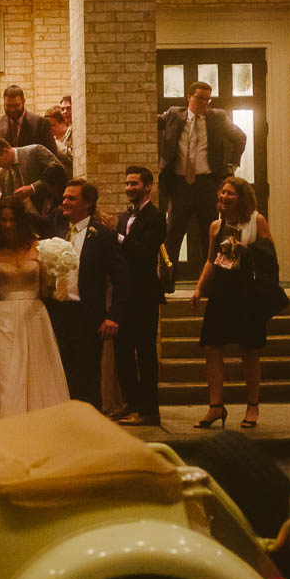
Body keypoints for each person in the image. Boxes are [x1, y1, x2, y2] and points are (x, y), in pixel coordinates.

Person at [0, 198, 70, 421]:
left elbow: (45, 290)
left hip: (34, 315)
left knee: (37, 374)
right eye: (3, 220)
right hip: (4, 317)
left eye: (13, 220)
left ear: (21, 221)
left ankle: (36, 426)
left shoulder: (39, 247)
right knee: (4, 375)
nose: (8, 225)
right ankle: (5, 425)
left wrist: (56, 273)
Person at [190, 177, 276, 430]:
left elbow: (270, 254)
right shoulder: (216, 226)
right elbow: (210, 260)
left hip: (247, 290)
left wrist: (246, 248)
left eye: (229, 194)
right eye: (221, 192)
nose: (223, 197)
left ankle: (252, 405)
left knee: (249, 349)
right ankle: (216, 406)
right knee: (211, 346)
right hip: (222, 291)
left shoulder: (256, 221)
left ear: (242, 198)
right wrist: (198, 288)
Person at [43, 179, 129, 410]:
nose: (64, 202)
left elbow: (122, 280)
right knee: (57, 373)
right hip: (55, 312)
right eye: (64, 197)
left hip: (86, 315)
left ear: (88, 203)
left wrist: (114, 317)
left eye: (71, 198)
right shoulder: (56, 227)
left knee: (87, 376)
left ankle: (89, 425)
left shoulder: (103, 236)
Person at [158, 80, 247, 284]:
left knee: (209, 234)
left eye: (208, 99)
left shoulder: (217, 117)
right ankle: (165, 283)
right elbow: (150, 122)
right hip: (180, 185)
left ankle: (207, 282)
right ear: (189, 97)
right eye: (200, 98)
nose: (204, 103)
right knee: (172, 235)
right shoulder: (173, 114)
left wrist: (231, 166)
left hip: (206, 184)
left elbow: (240, 137)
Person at [98, 165, 167, 426]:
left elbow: (145, 251)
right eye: (127, 184)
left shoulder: (156, 216)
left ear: (147, 186)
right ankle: (131, 402)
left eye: (134, 184)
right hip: (123, 294)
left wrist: (115, 236)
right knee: (122, 349)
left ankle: (150, 410)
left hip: (145, 294)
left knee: (145, 352)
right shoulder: (125, 216)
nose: (129, 188)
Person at [0, 136, 68, 227]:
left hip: (52, 215)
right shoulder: (1, 173)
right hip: (27, 224)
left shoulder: (35, 152)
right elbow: (8, 204)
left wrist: (33, 188)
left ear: (6, 151)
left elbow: (59, 174)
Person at [45, 104, 72, 175]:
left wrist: (54, 142)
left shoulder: (74, 135)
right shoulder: (50, 140)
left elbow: (70, 158)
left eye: (52, 125)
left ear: (63, 122)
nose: (49, 128)